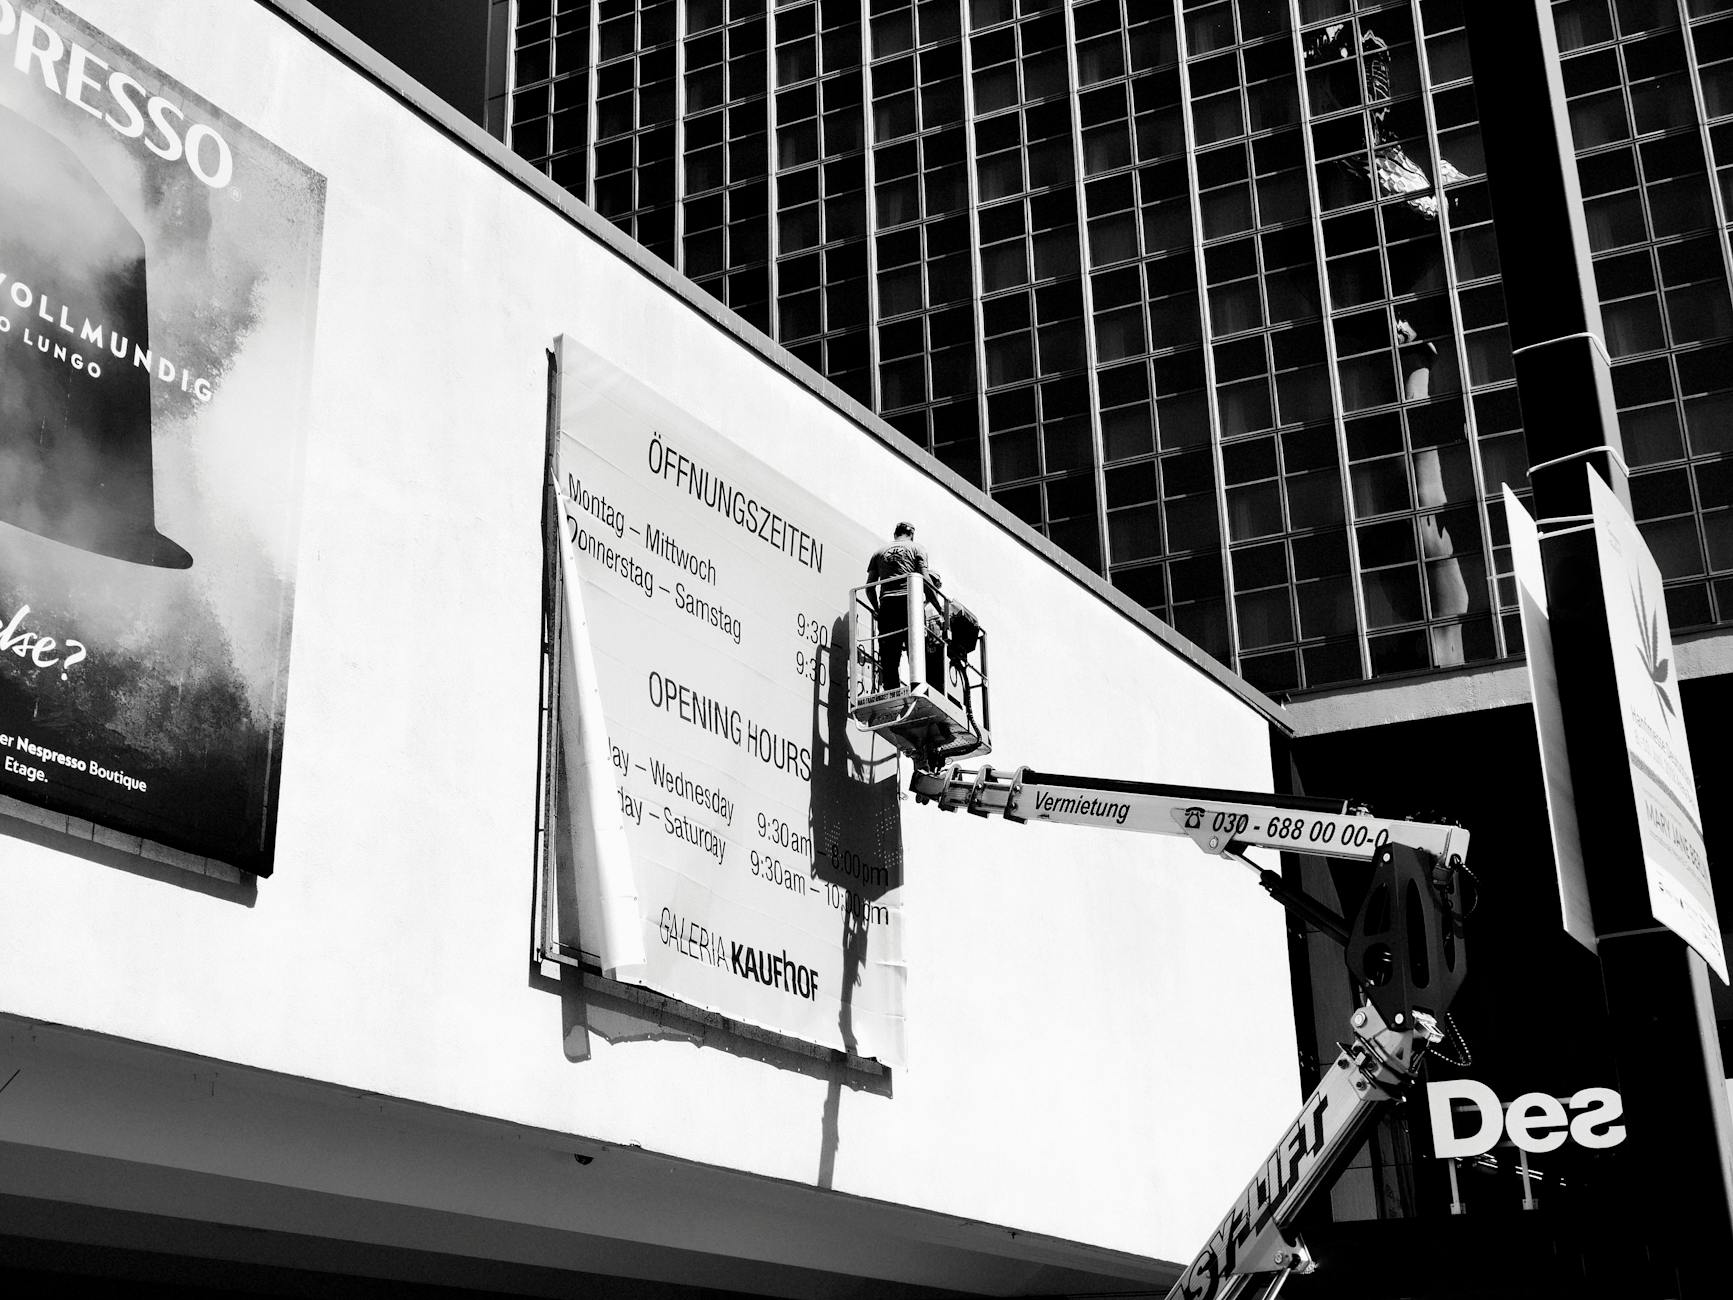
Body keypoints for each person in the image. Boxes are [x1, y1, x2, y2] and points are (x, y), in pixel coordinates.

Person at [864, 522, 935, 691]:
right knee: (916, 651)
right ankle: (918, 688)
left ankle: (891, 690)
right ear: (911, 534)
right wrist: (940, 607)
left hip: (887, 604)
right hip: (909, 604)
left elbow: (869, 588)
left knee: (889, 656)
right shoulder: (917, 548)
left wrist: (877, 609)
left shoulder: (879, 552)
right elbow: (925, 580)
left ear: (895, 533)